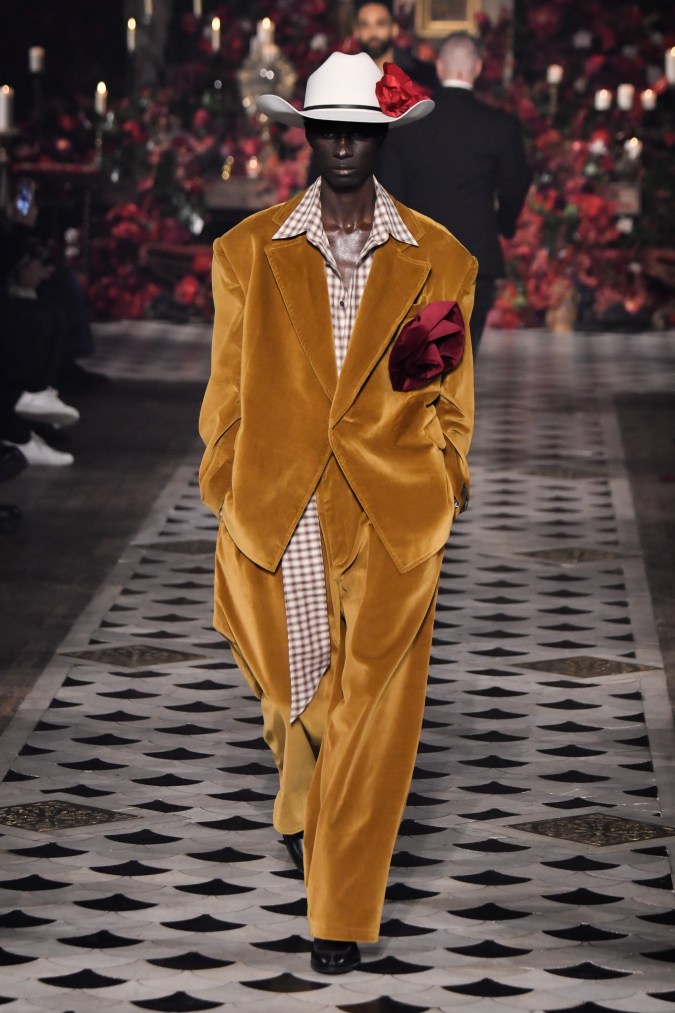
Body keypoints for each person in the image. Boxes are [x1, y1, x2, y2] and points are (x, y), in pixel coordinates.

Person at [199, 51, 476, 974]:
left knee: (375, 717)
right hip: (281, 509)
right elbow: (226, 394)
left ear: (382, 135)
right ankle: (297, 799)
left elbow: (448, 400)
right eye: (329, 128)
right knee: (295, 702)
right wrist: (226, 485)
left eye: (361, 128)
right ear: (307, 135)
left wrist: (442, 484)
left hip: (394, 512)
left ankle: (340, 911)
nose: (345, 144)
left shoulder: (440, 258)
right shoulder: (246, 253)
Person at [378, 31, 532, 355]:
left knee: (417, 352)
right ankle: (452, 405)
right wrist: (503, 225)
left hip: (419, 252)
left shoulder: (407, 123)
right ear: (477, 67)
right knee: (464, 353)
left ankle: (426, 405)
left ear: (439, 67)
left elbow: (389, 190)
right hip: (476, 252)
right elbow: (515, 183)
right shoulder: (499, 125)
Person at [353, 0, 437, 90]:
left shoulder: (422, 74)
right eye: (365, 25)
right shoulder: (347, 73)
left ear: (394, 29)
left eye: (380, 24)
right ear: (356, 31)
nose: (373, 32)